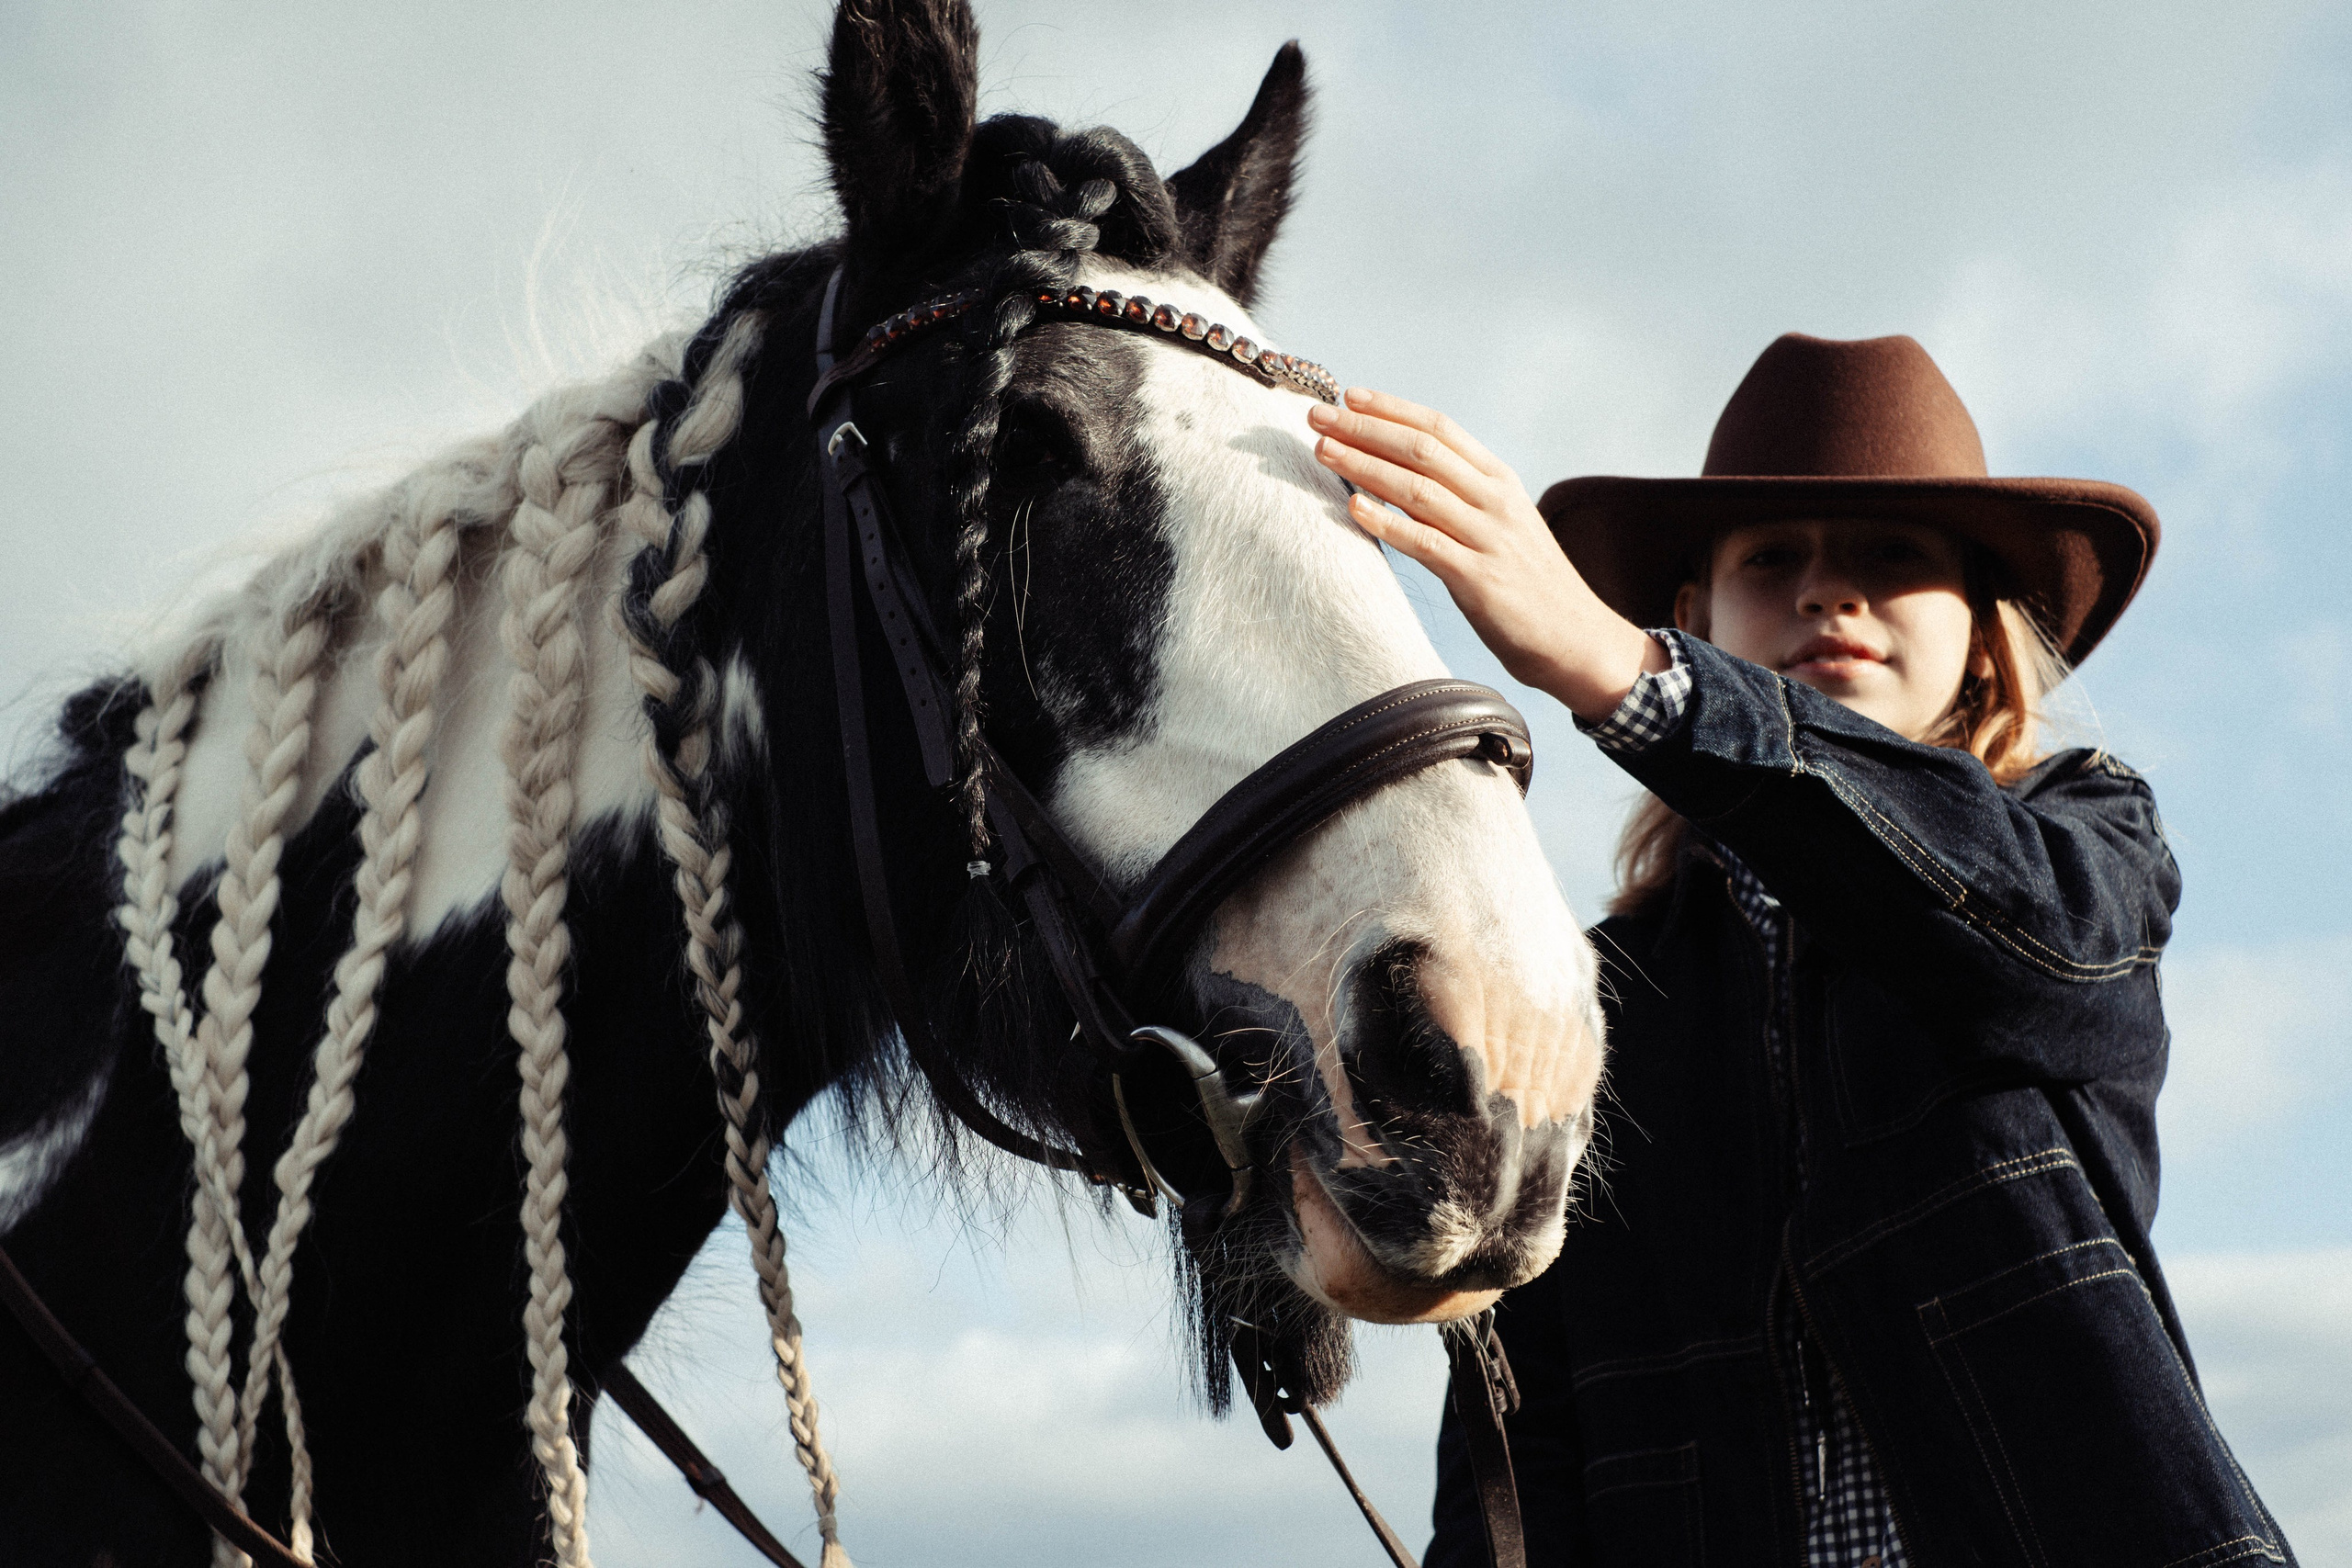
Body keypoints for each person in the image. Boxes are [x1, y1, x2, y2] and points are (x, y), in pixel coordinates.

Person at [1305, 333, 2295, 1567]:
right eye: (1775, 558)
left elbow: (2021, 937)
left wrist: (1629, 675)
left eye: (1893, 554)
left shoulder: (2092, 840)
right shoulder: (1592, 1004)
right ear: (1695, 612)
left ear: (1987, 628)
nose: (1830, 591)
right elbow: (1521, 1431)